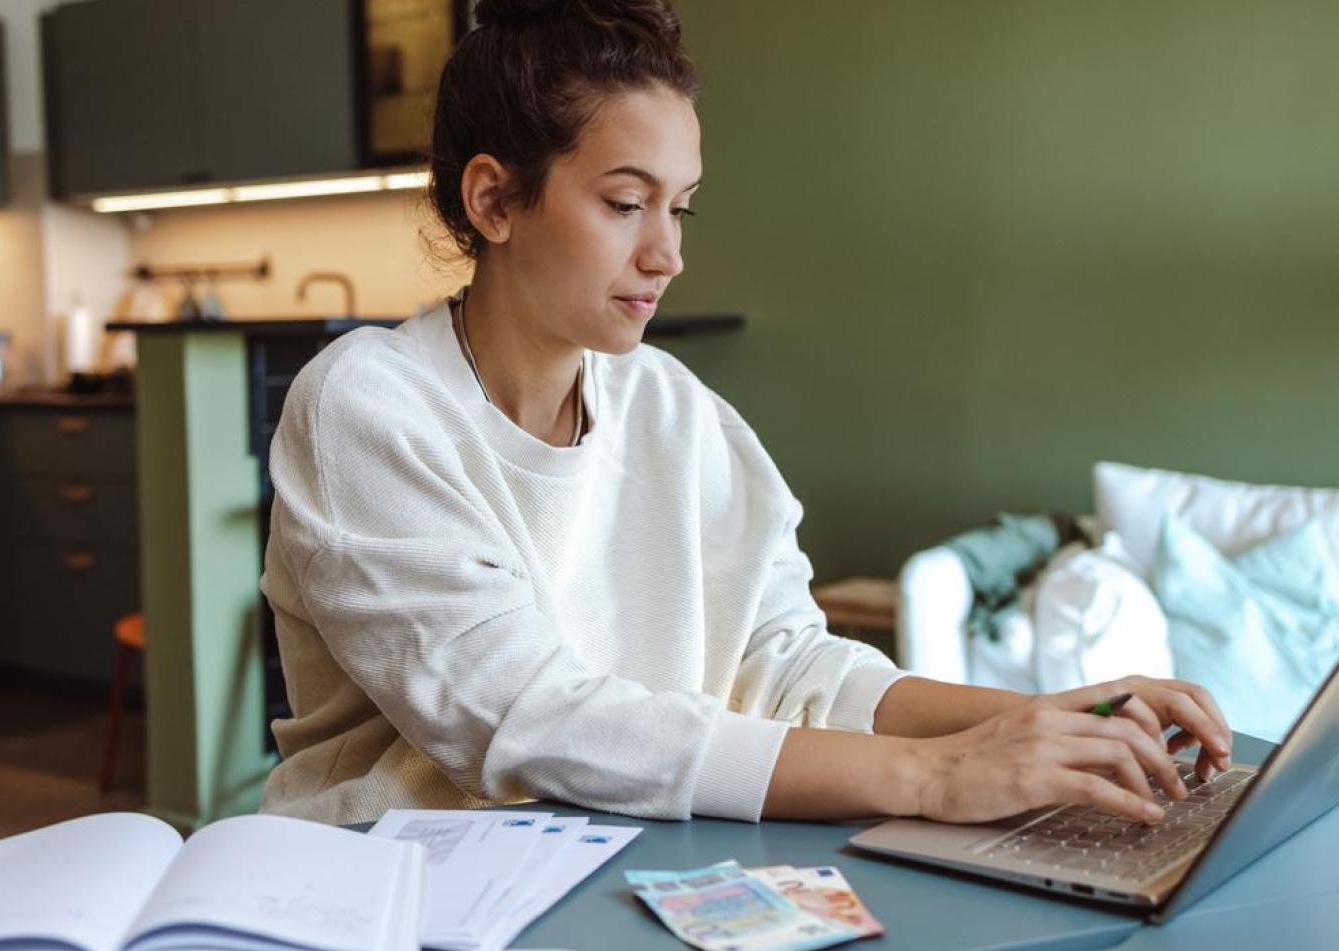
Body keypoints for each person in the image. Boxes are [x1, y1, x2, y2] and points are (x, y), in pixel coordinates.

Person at [258, 0, 1231, 827]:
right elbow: (529, 719)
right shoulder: (369, 407)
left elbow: (787, 663)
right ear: (493, 200)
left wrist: (1049, 720)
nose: (667, 255)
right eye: (625, 203)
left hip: (616, 870)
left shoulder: (675, 412)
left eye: (679, 207)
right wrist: (935, 776)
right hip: (385, 898)